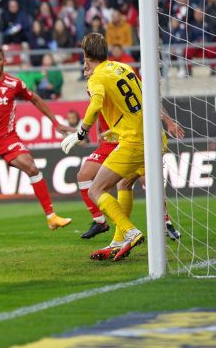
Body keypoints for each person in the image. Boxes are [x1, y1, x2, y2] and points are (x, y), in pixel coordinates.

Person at [0, 45, 73, 241]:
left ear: (4, 61)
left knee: (31, 167)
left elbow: (36, 99)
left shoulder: (15, 84)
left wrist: (56, 122)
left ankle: (51, 217)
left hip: (7, 138)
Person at [60, 32, 154, 261]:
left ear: (85, 55)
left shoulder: (96, 77)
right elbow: (145, 98)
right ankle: (117, 241)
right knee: (124, 183)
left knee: (96, 190)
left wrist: (81, 131)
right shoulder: (123, 67)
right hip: (152, 136)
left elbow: (96, 105)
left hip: (134, 142)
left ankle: (130, 232)